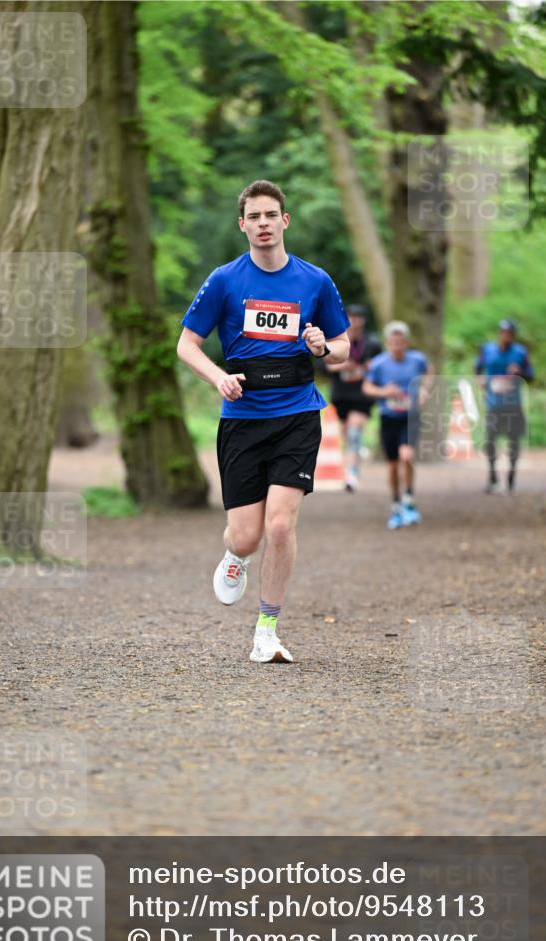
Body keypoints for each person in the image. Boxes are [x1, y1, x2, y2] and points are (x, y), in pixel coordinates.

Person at [177, 179, 350, 663]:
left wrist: (322, 347)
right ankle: (235, 557)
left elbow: (343, 348)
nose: (263, 224)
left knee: (279, 527)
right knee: (247, 535)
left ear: (284, 221)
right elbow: (186, 344)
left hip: (297, 414)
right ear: (243, 225)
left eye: (270, 215)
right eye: (253, 217)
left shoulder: (314, 280)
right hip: (242, 418)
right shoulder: (225, 280)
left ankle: (267, 630)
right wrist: (217, 378)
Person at [362, 321, 433, 529]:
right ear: (388, 343)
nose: (397, 346)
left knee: (407, 456)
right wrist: (385, 392)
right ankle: (396, 503)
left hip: (410, 417)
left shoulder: (417, 360)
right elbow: (367, 387)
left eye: (401, 342)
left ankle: (409, 498)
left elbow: (429, 371)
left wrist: (424, 390)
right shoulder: (379, 364)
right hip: (389, 418)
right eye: (393, 342)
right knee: (393, 465)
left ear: (407, 343)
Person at [325, 304, 382, 491]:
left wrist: (365, 369)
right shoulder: (336, 340)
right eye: (351, 317)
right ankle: (351, 465)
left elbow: (379, 367)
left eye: (359, 317)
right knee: (346, 434)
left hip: (362, 395)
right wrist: (343, 366)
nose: (355, 321)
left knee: (354, 431)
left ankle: (352, 473)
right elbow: (325, 366)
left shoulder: (373, 344)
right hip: (341, 394)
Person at [475, 319, 534, 494]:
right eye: (503, 332)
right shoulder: (487, 350)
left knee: (514, 442)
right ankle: (492, 477)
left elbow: (531, 377)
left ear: (514, 336)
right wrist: (480, 379)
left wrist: (520, 372)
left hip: (513, 405)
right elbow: (477, 368)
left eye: (509, 333)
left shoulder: (520, 353)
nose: (505, 336)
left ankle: (511, 479)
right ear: (499, 333)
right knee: (490, 441)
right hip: (493, 404)